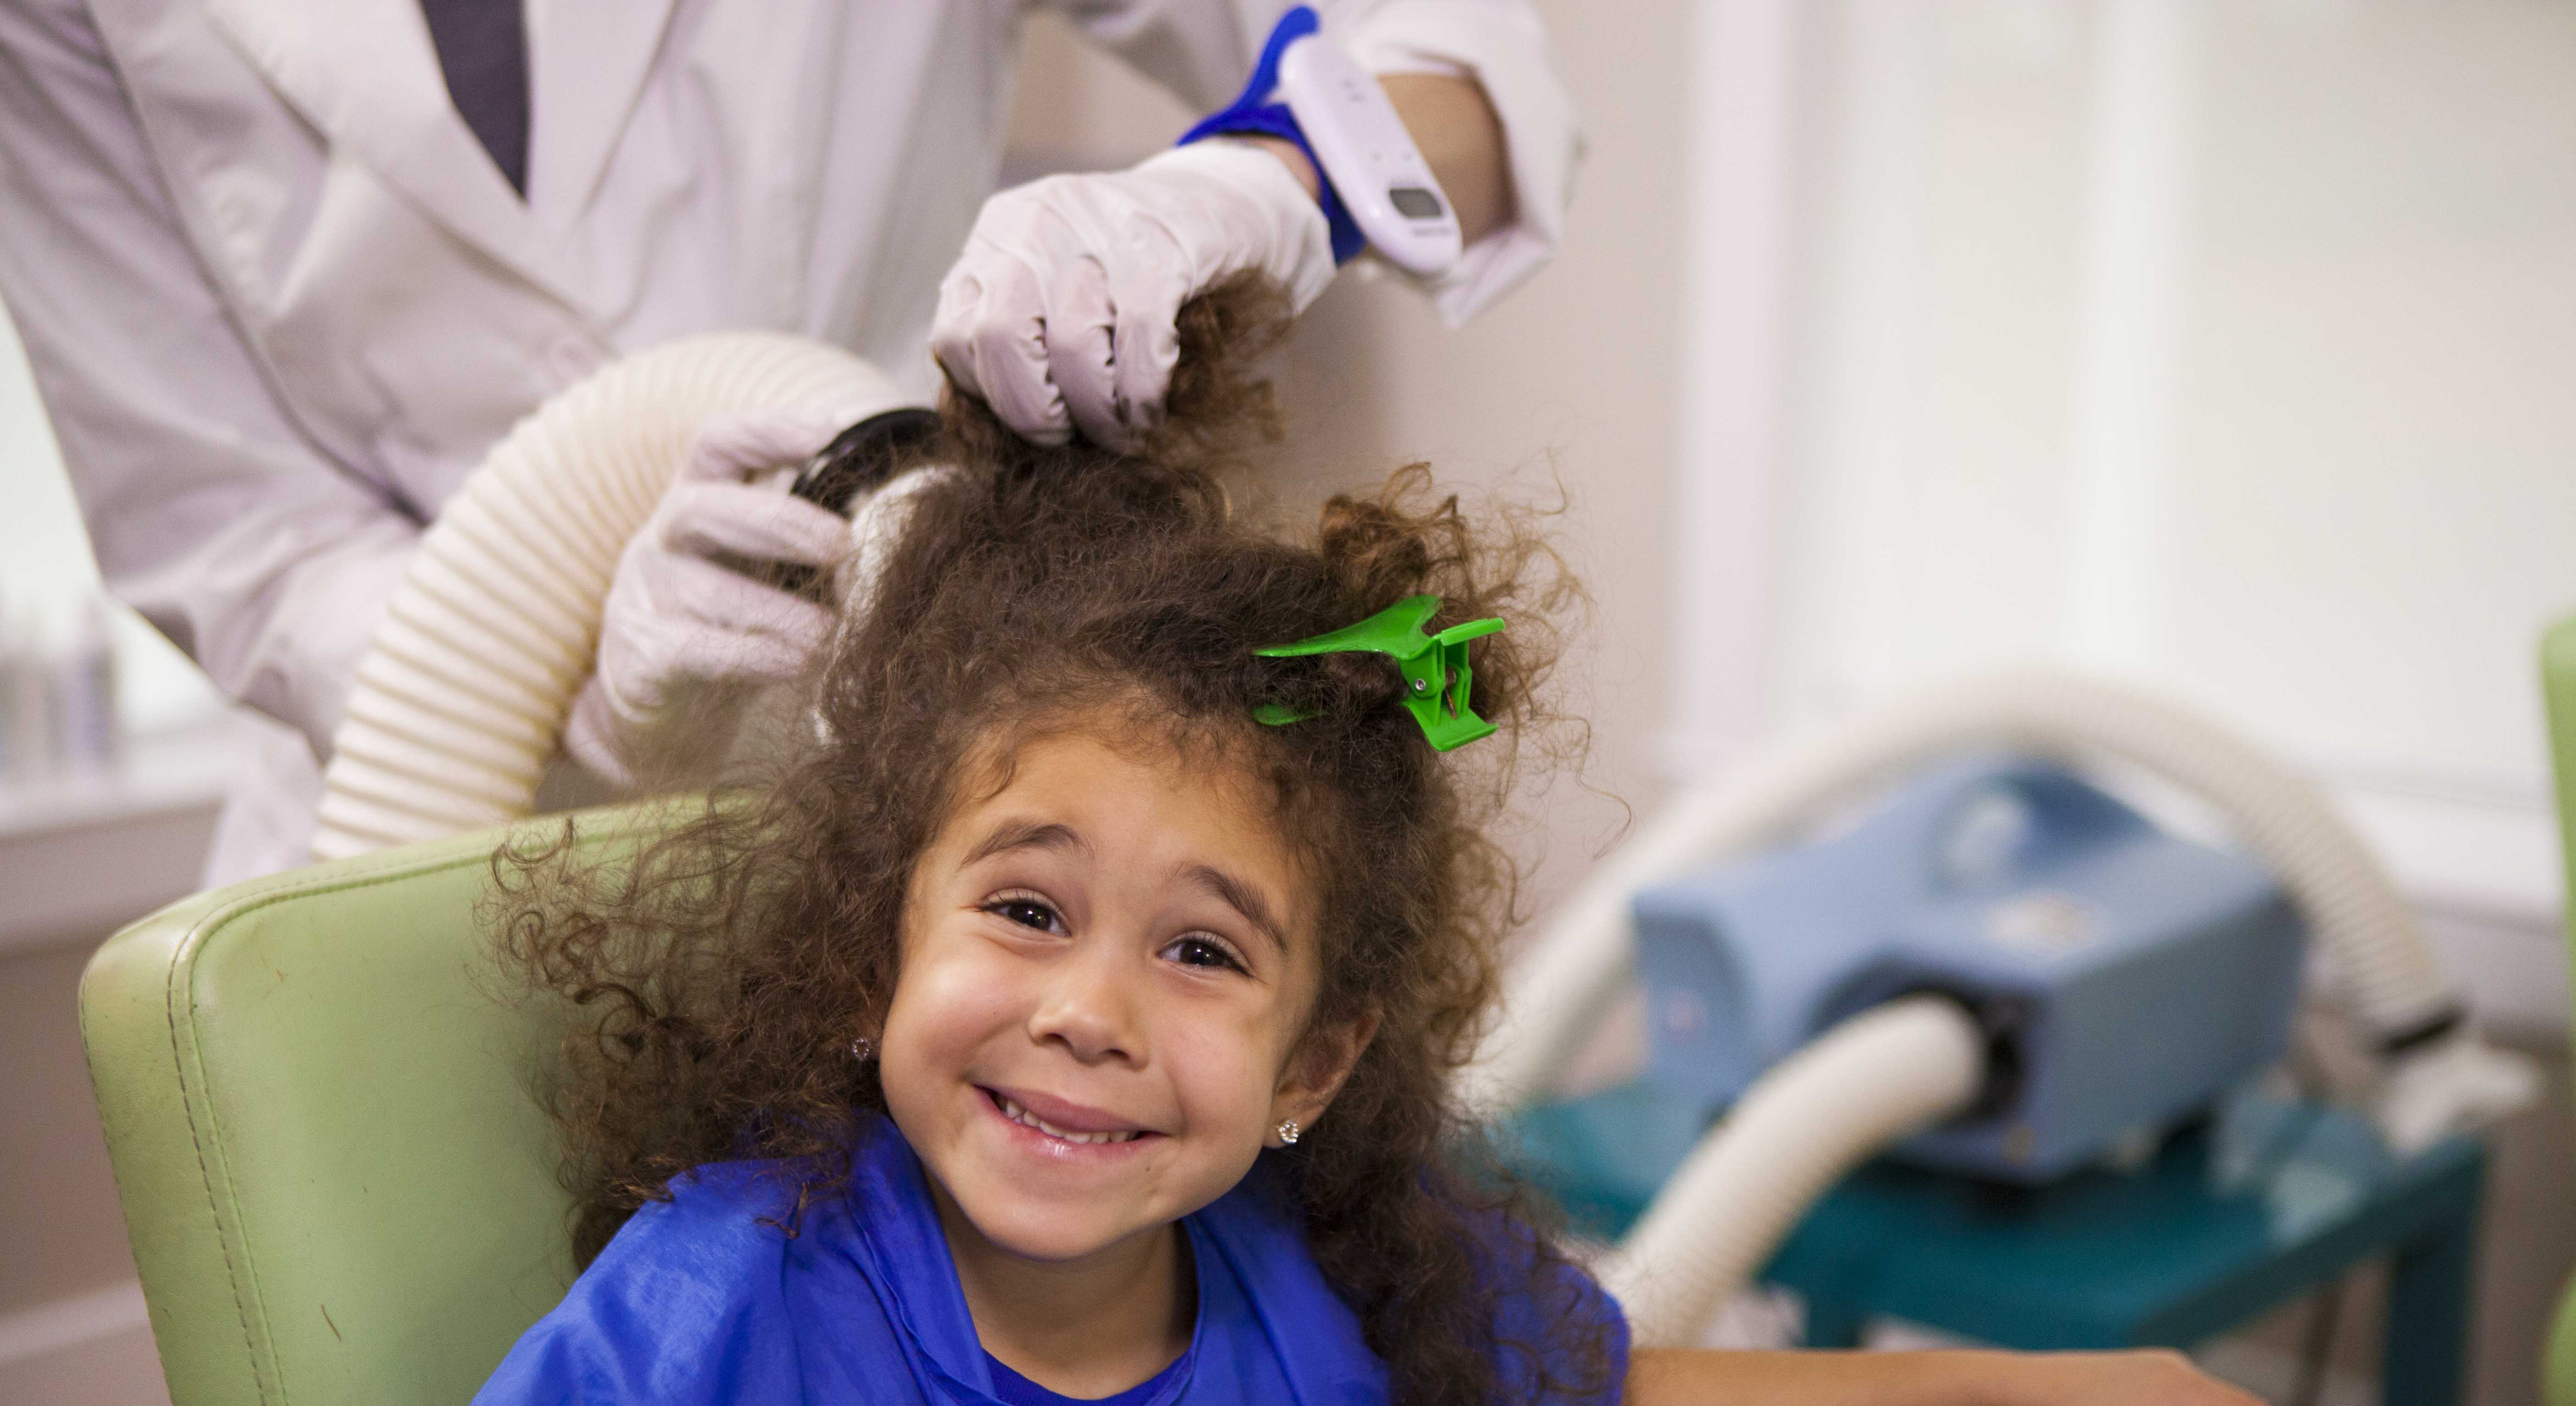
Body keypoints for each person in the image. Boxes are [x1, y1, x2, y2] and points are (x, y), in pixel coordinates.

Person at [417, 290, 2272, 1406]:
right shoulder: (702, 1338)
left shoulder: (1324, 1301)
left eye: (1203, 951)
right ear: (877, 941)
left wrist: (2006, 1392)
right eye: (1028, 908)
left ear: (1315, 1064)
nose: (1093, 1009)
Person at [0, 0, 1577, 882]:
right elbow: (226, 527)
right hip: (406, 817)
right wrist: (565, 677)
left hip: (910, 775)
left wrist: (1257, 181)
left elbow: (1467, 60)